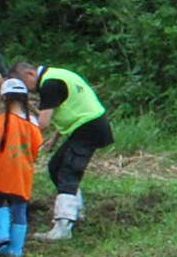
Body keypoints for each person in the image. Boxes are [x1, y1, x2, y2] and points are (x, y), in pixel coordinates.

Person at [13, 59, 112, 243]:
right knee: (56, 167)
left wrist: (15, 134)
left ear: (30, 74)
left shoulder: (50, 84)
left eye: (24, 85)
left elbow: (42, 123)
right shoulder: (55, 76)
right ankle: (76, 211)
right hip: (87, 125)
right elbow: (69, 109)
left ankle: (63, 226)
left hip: (89, 127)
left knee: (68, 170)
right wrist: (54, 140)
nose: (26, 91)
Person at [0, 76, 45, 257]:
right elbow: (37, 148)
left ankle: (2, 234)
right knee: (20, 210)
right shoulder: (32, 122)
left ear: (3, 99)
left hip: (4, 172)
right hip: (24, 173)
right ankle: (15, 251)